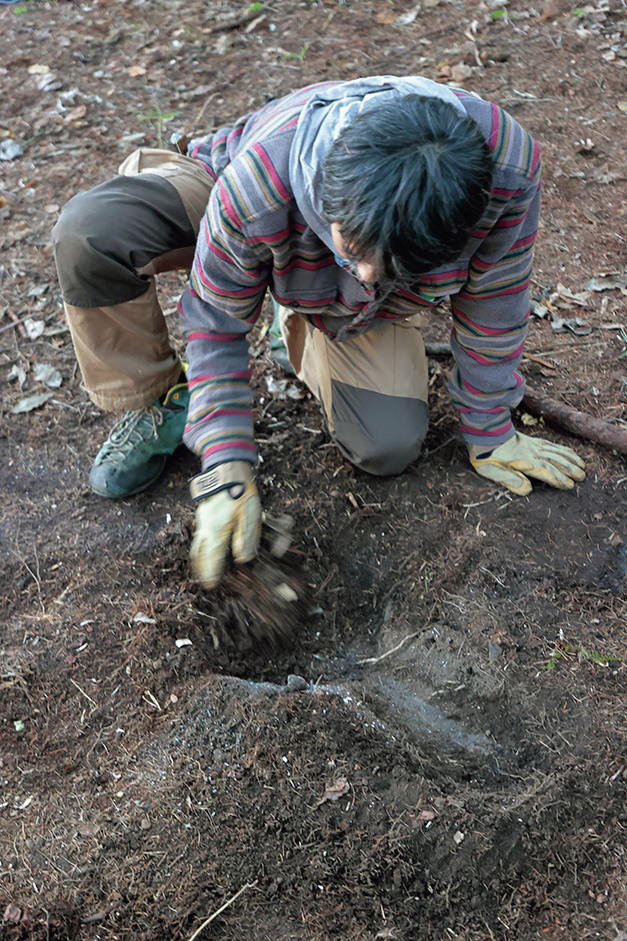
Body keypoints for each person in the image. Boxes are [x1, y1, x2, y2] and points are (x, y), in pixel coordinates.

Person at [52, 75, 585, 589]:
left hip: (343, 302)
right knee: (92, 232)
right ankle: (160, 399)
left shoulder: (507, 173)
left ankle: (302, 326)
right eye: (353, 253)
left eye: (396, 266)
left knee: (388, 445)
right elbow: (216, 325)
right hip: (226, 192)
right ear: (329, 200)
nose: (370, 275)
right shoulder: (256, 185)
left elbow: (495, 301)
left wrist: (491, 429)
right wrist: (227, 470)